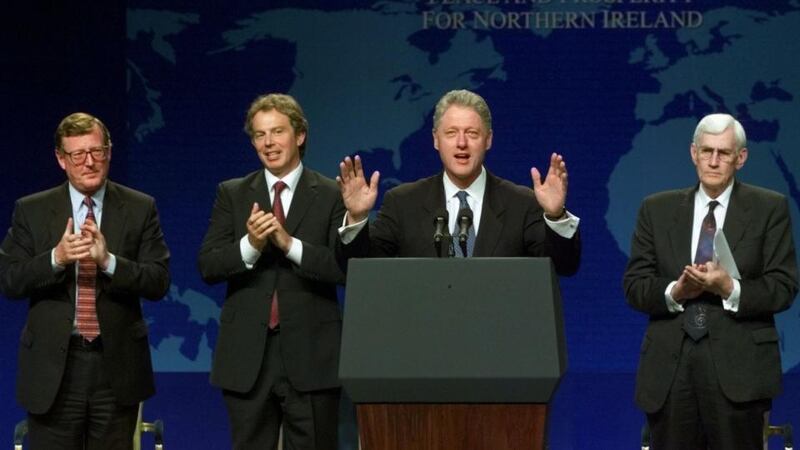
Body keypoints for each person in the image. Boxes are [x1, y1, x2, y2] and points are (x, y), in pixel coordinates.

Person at [623, 113, 799, 449]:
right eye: (706, 151)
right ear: (693, 153)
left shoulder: (769, 209)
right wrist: (676, 291)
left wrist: (729, 287)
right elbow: (634, 286)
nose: (714, 161)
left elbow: (783, 287)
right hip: (671, 374)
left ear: (740, 158)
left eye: (724, 153)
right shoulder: (656, 210)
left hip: (739, 372)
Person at [0, 112, 171, 450]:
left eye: (97, 151)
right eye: (78, 154)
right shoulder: (32, 210)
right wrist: (56, 259)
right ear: (61, 159)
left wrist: (109, 262)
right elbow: (9, 280)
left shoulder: (139, 208)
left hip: (116, 368)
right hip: (55, 370)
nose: (89, 162)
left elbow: (158, 281)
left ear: (109, 152)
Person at [198, 93, 345, 450]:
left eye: (277, 132)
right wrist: (251, 244)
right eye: (260, 135)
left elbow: (341, 268)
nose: (268, 143)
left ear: (300, 135)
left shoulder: (329, 194)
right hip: (248, 360)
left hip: (311, 359)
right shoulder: (232, 194)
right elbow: (209, 265)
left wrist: (288, 244)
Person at [336, 89, 580, 274]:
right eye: (451, 133)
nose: (461, 143)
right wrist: (357, 219)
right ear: (436, 140)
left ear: (488, 140)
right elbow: (362, 271)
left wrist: (556, 216)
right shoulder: (403, 202)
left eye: (472, 133)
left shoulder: (522, 203)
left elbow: (564, 267)